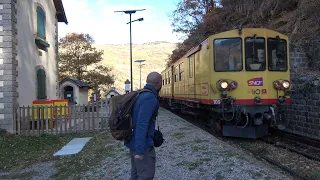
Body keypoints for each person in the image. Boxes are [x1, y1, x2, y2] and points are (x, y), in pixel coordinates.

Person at [125, 71, 162, 180]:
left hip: (133, 142)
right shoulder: (150, 98)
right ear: (159, 83)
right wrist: (140, 151)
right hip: (142, 146)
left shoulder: (140, 94)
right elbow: (142, 124)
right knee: (145, 176)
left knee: (136, 175)